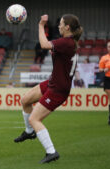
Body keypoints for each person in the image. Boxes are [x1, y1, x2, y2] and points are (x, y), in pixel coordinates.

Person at [14, 14, 83, 164]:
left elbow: (44, 45)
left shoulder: (66, 42)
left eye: (61, 24)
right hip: (53, 82)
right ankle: (29, 132)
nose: (58, 26)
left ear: (67, 28)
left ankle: (51, 152)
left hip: (58, 88)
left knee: (34, 119)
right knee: (25, 100)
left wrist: (40, 25)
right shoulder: (68, 42)